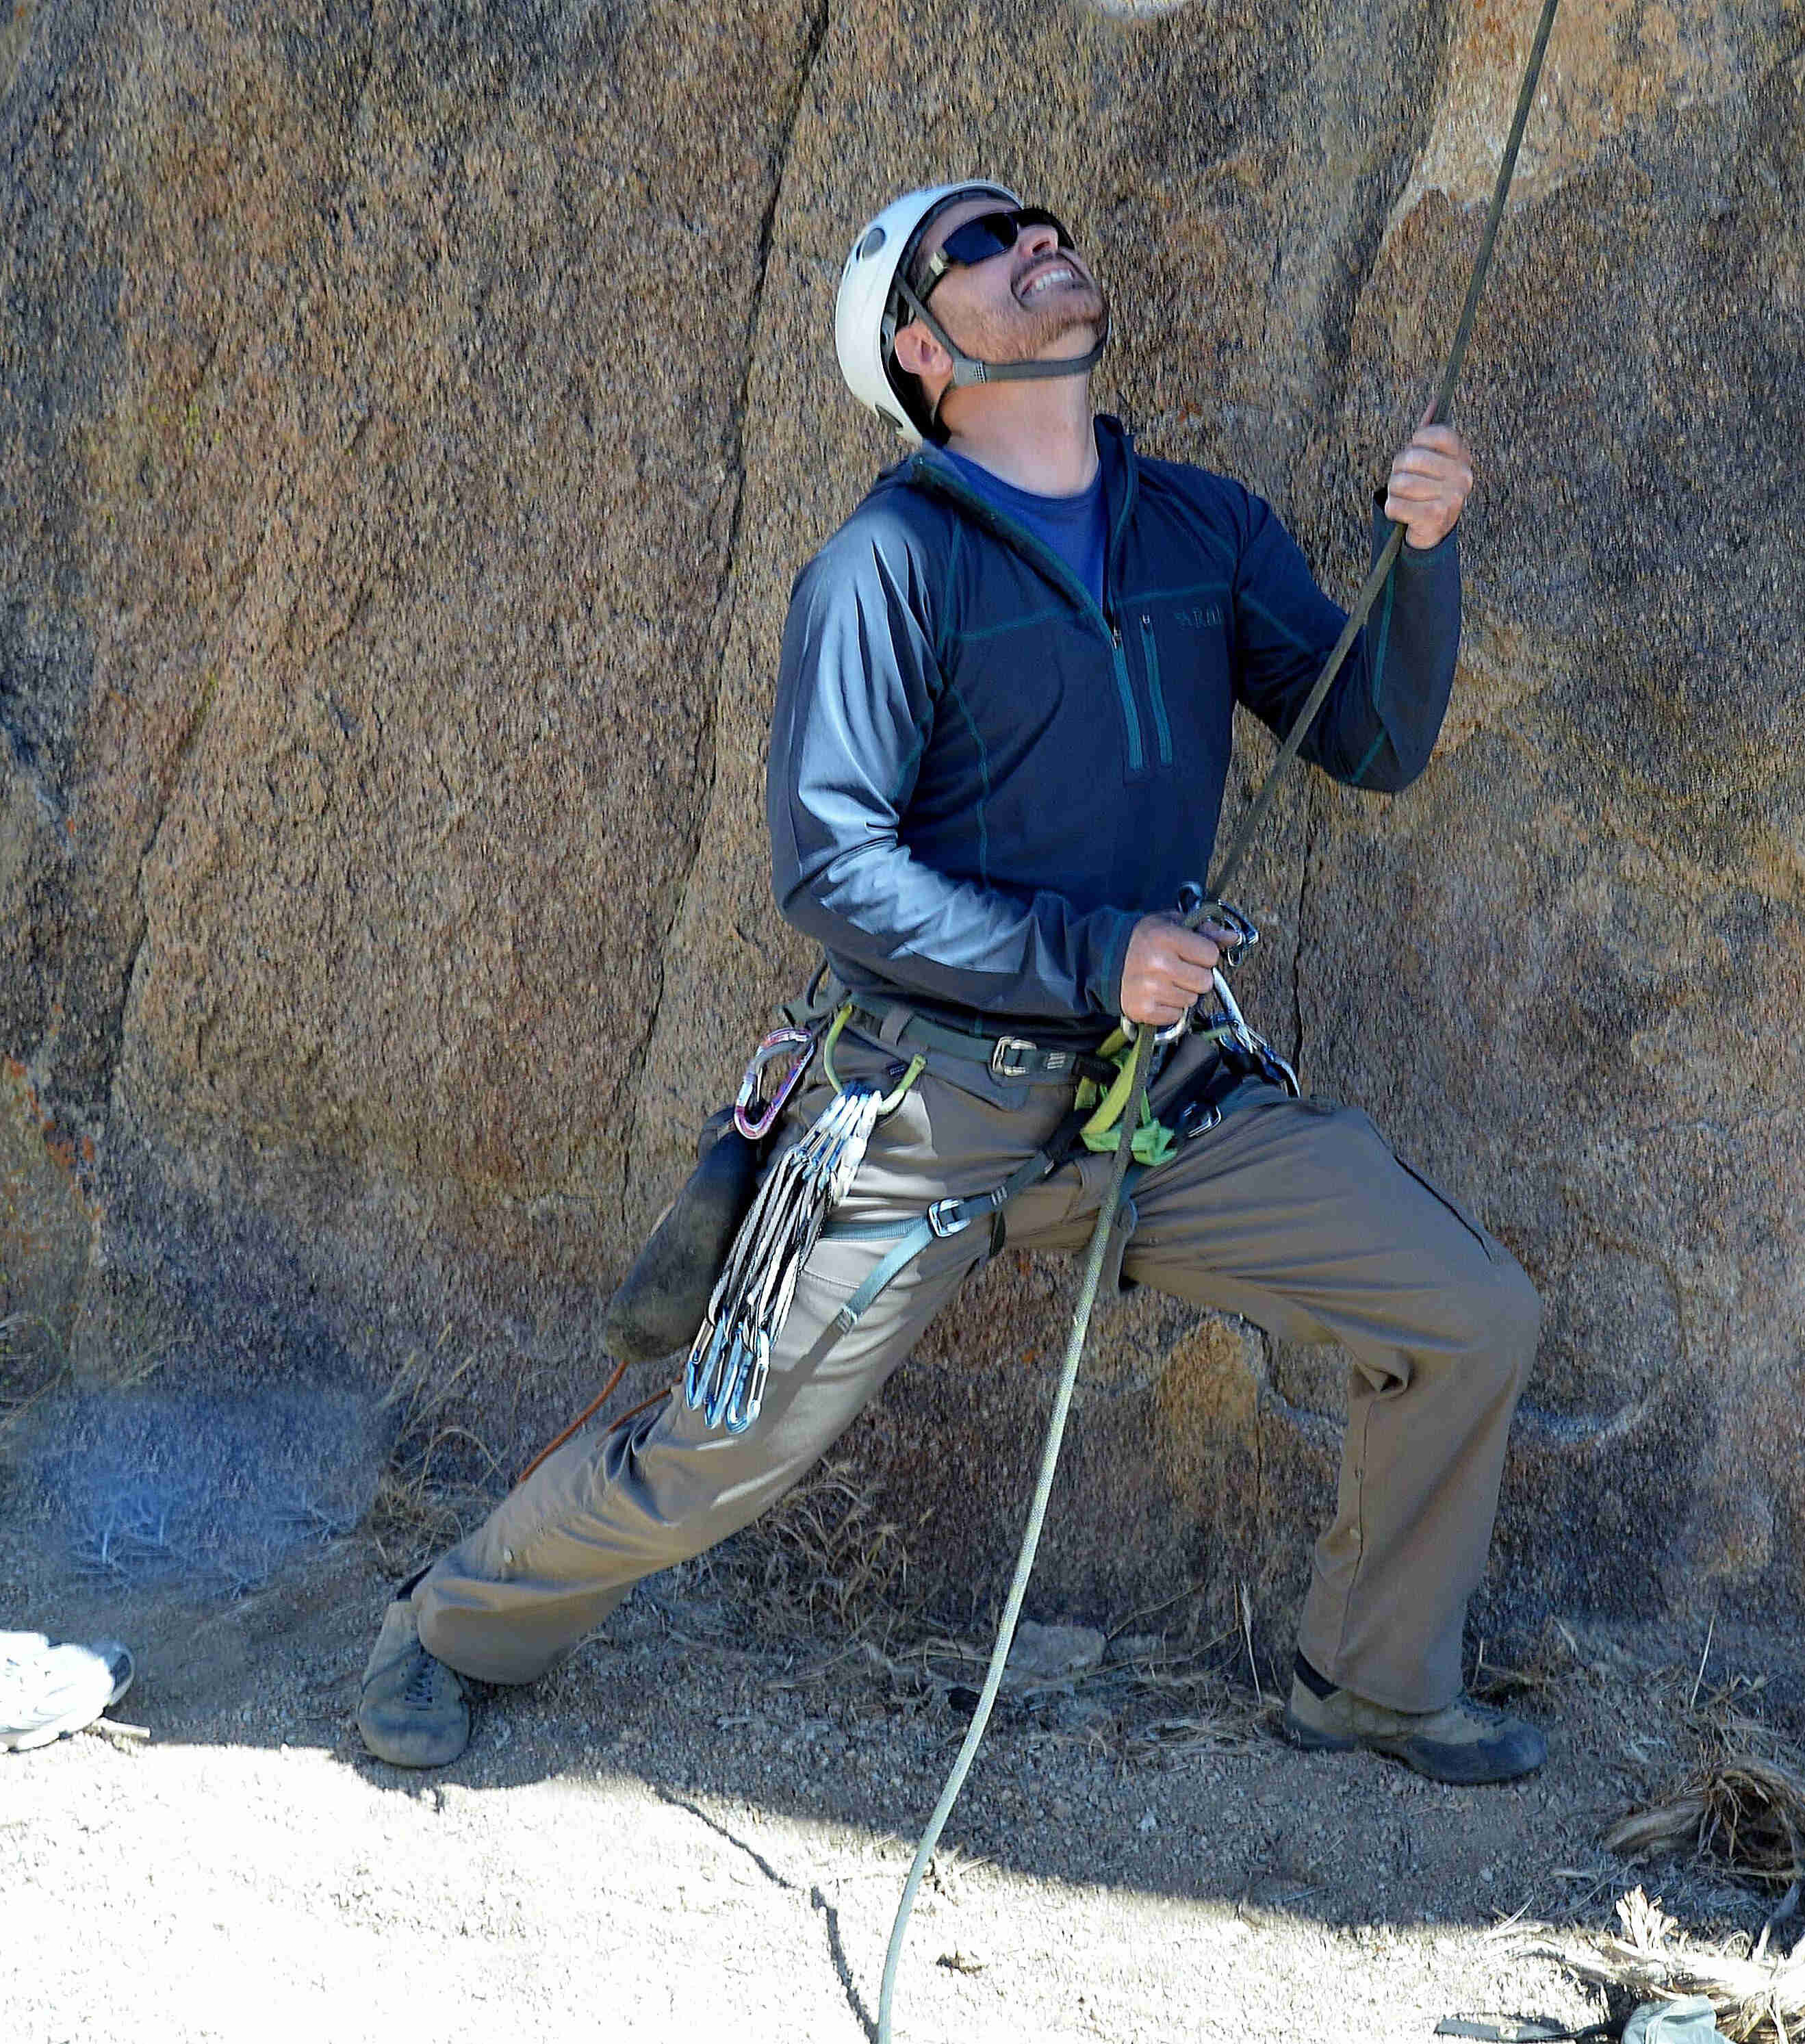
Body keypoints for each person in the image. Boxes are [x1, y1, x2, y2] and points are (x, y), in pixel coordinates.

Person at [355, 181, 1546, 1785]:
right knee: (723, 1447)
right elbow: (830, 866)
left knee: (1465, 1310)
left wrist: (1426, 558)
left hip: (1152, 1105)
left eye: (1031, 224)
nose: (1027, 243)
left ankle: (1377, 1684)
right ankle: (445, 1626)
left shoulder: (1202, 523)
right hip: (922, 1102)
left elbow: (1375, 741)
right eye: (974, 251)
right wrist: (1088, 952)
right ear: (920, 350)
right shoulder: (887, 563)